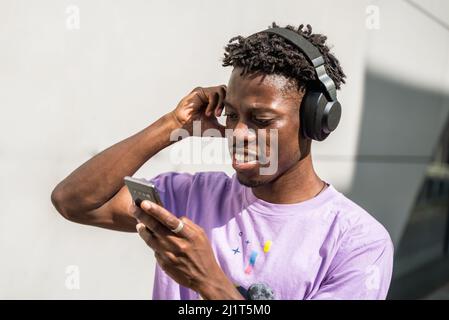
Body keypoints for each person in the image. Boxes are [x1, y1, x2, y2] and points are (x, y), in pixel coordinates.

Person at [51, 22, 394, 300]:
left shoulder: (357, 242)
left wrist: (211, 283)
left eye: (261, 120)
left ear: (314, 122)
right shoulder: (189, 197)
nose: (239, 133)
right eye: (231, 115)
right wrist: (173, 124)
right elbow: (73, 201)